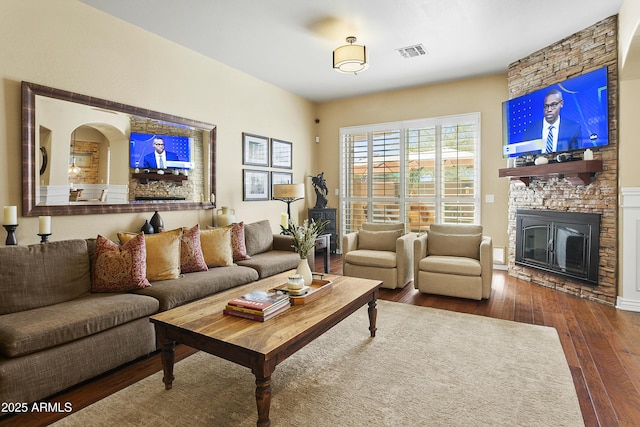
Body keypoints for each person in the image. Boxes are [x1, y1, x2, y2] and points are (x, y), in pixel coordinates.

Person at [523, 89, 583, 154]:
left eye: (553, 105)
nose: (549, 110)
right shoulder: (530, 131)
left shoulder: (573, 128)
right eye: (546, 106)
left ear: (561, 104)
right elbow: (525, 158)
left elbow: (577, 156)